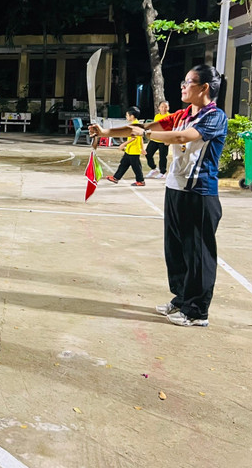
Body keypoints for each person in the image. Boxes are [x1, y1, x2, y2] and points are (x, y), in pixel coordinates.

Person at [90, 65, 228, 328]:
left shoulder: (214, 116)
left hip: (199, 193)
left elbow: (180, 137)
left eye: (188, 82)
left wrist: (147, 134)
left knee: (197, 253)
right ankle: (182, 298)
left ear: (204, 88)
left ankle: (197, 311)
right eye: (183, 81)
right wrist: (105, 132)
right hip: (175, 189)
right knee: (175, 249)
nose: (183, 86)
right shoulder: (181, 114)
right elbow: (140, 127)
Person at [105, 106, 146, 187]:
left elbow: (134, 138)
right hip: (130, 150)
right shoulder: (134, 124)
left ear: (132, 116)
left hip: (134, 150)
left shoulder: (135, 125)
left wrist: (124, 144)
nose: (126, 117)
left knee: (136, 167)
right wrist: (142, 148)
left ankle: (141, 181)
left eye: (127, 115)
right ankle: (116, 178)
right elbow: (140, 138)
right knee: (123, 164)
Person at [146, 100, 171, 178]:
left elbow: (170, 129)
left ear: (168, 108)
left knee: (163, 157)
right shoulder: (157, 116)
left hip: (164, 140)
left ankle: (162, 172)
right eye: (162, 107)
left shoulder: (169, 117)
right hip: (155, 139)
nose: (164, 108)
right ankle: (153, 168)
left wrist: (168, 140)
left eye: (165, 107)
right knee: (148, 154)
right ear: (159, 108)